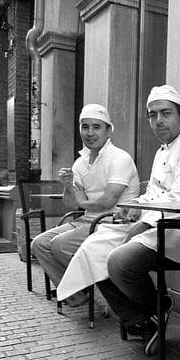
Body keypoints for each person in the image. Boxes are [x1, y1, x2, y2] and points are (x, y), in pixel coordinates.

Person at [57, 85, 180, 352]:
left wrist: (142, 223)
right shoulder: (163, 150)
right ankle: (144, 320)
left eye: (166, 113)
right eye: (152, 114)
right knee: (93, 249)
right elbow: (156, 194)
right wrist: (132, 206)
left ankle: (157, 307)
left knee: (120, 260)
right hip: (161, 225)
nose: (158, 120)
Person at [31, 104, 140, 308]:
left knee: (60, 244)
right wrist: (69, 187)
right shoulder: (80, 163)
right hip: (88, 221)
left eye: (96, 127)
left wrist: (82, 200)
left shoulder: (119, 158)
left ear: (109, 131)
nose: (90, 133)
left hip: (114, 223)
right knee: (39, 243)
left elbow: (108, 201)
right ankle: (78, 294)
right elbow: (71, 205)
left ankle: (99, 292)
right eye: (85, 127)